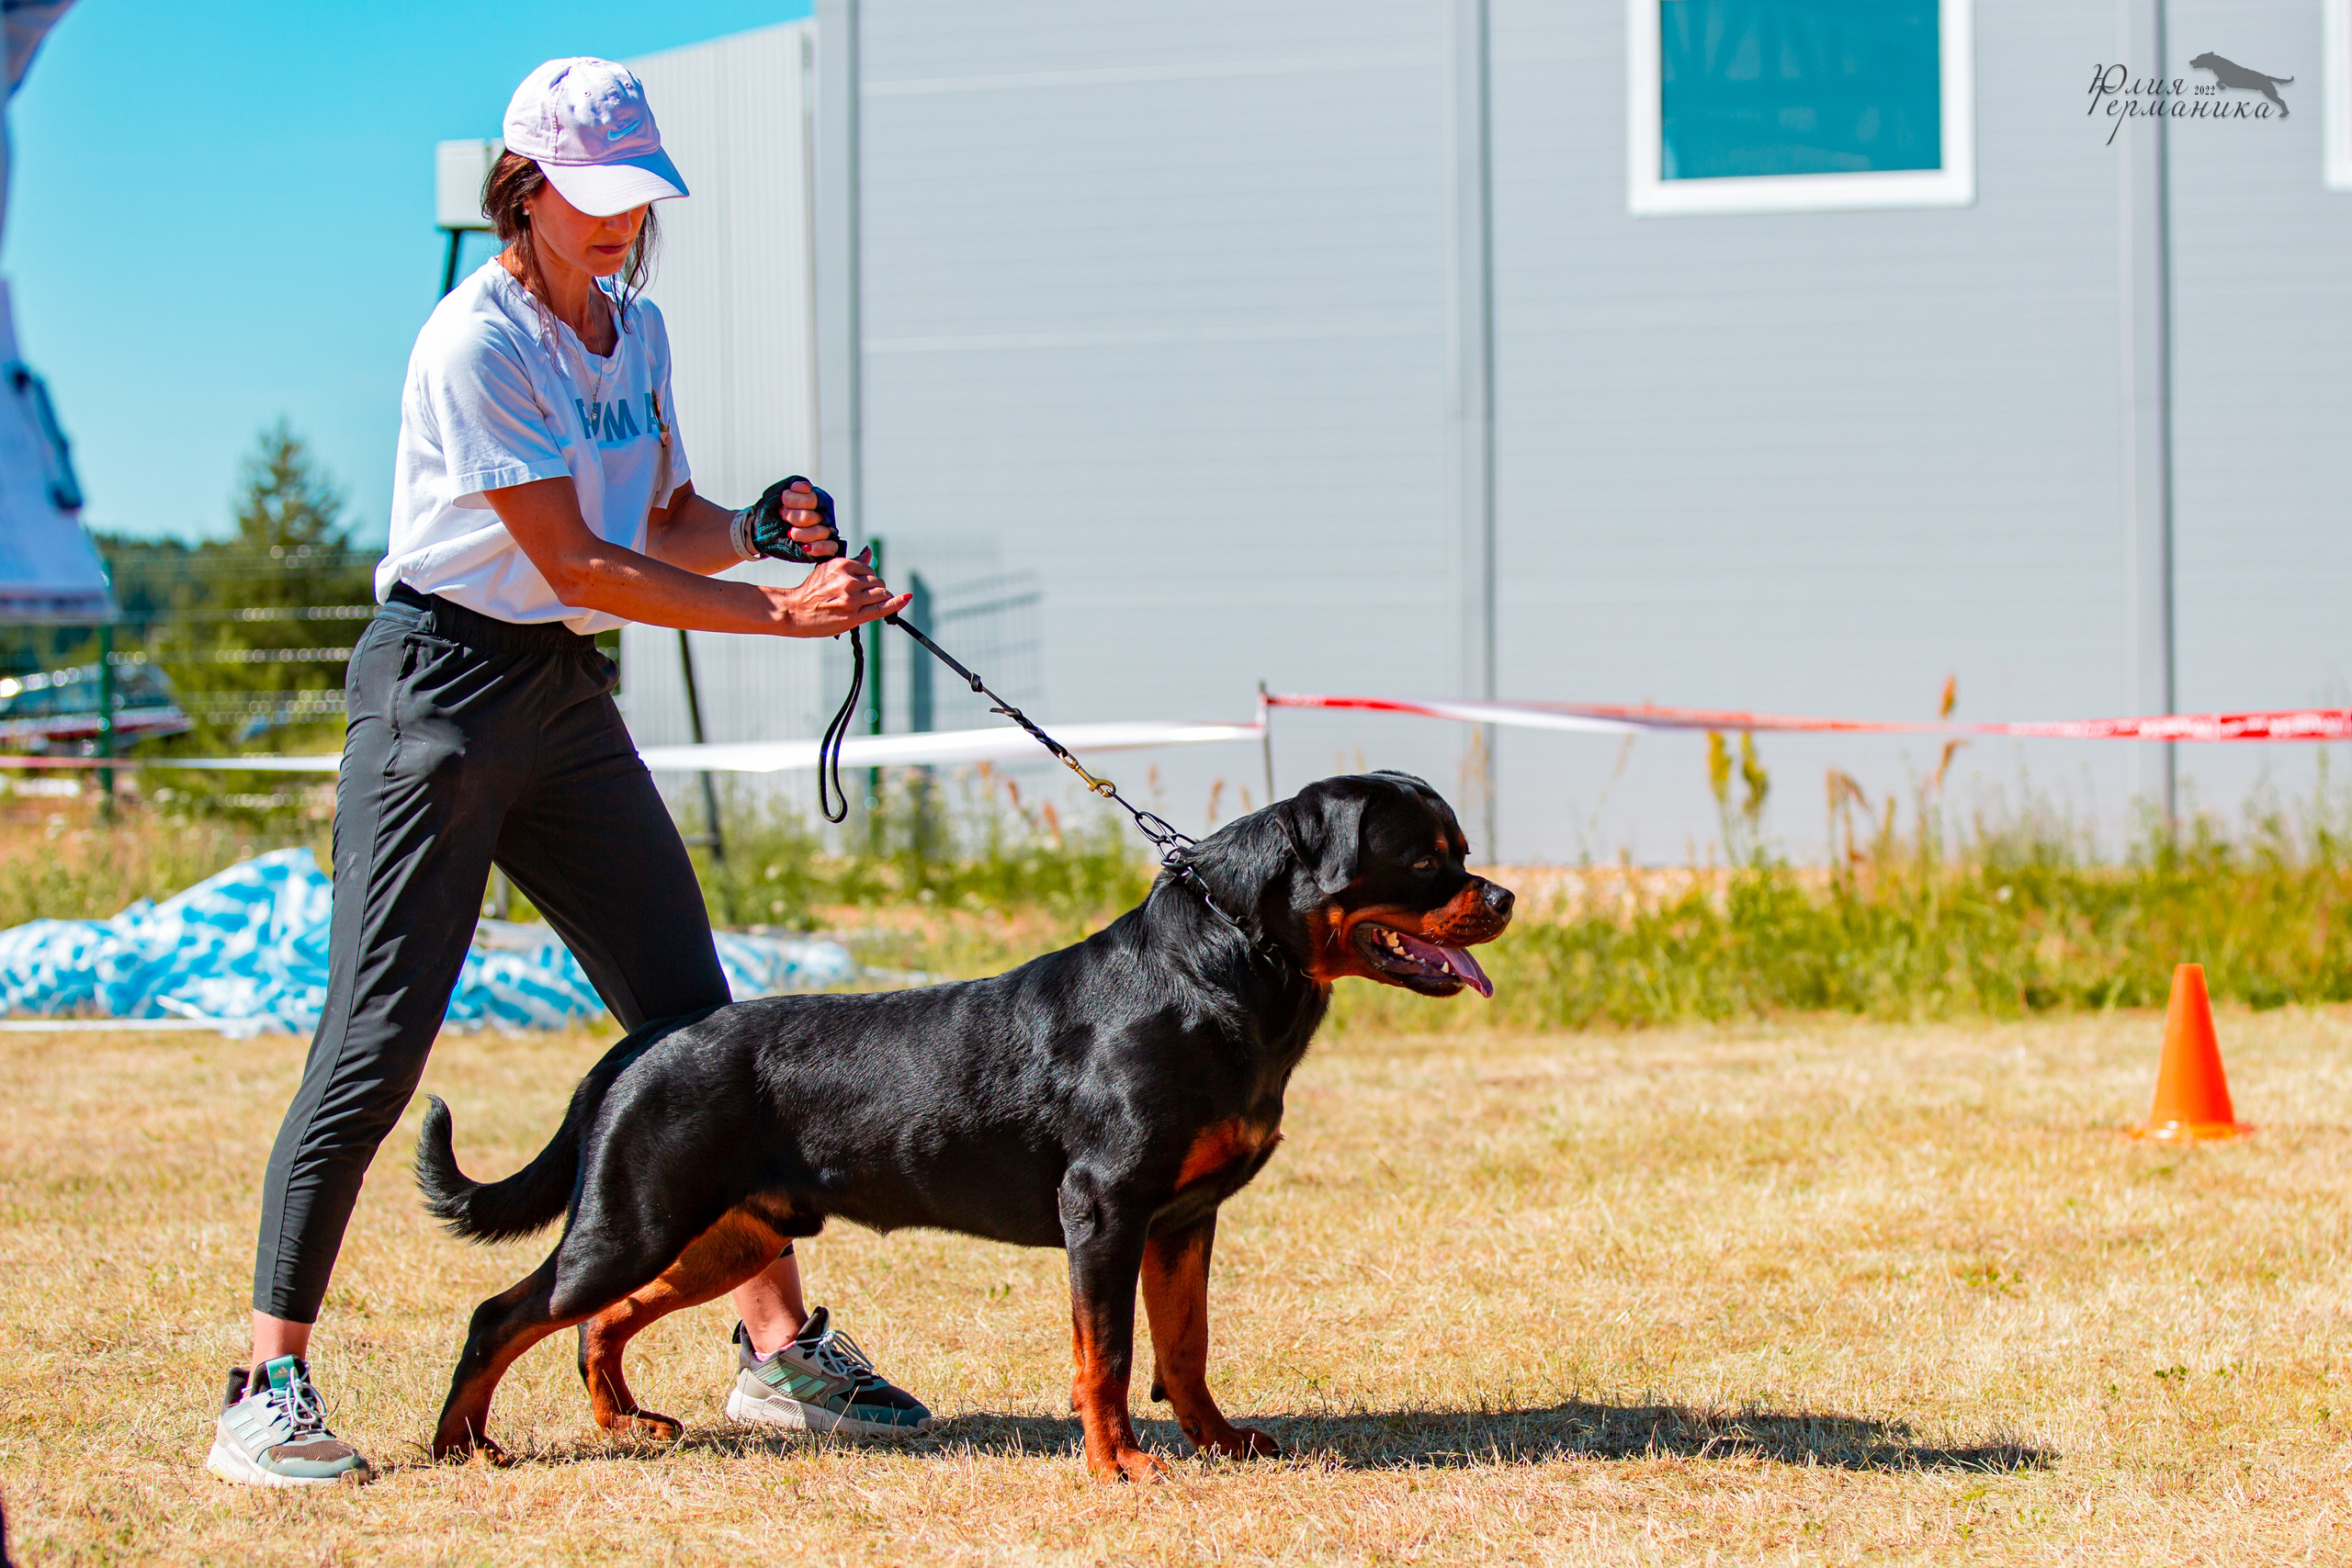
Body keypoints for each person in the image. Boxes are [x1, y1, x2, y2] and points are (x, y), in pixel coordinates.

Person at [207, 58, 929, 1488]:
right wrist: (784, 613)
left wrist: (756, 527)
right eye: (590, 198)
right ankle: (264, 1386)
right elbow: (578, 560)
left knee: (696, 1027)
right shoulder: (470, 341)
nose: (617, 224)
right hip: (438, 693)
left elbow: (658, 518)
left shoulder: (638, 331)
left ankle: (777, 1354)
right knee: (374, 1042)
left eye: (634, 199)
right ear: (522, 192)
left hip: (562, 695)